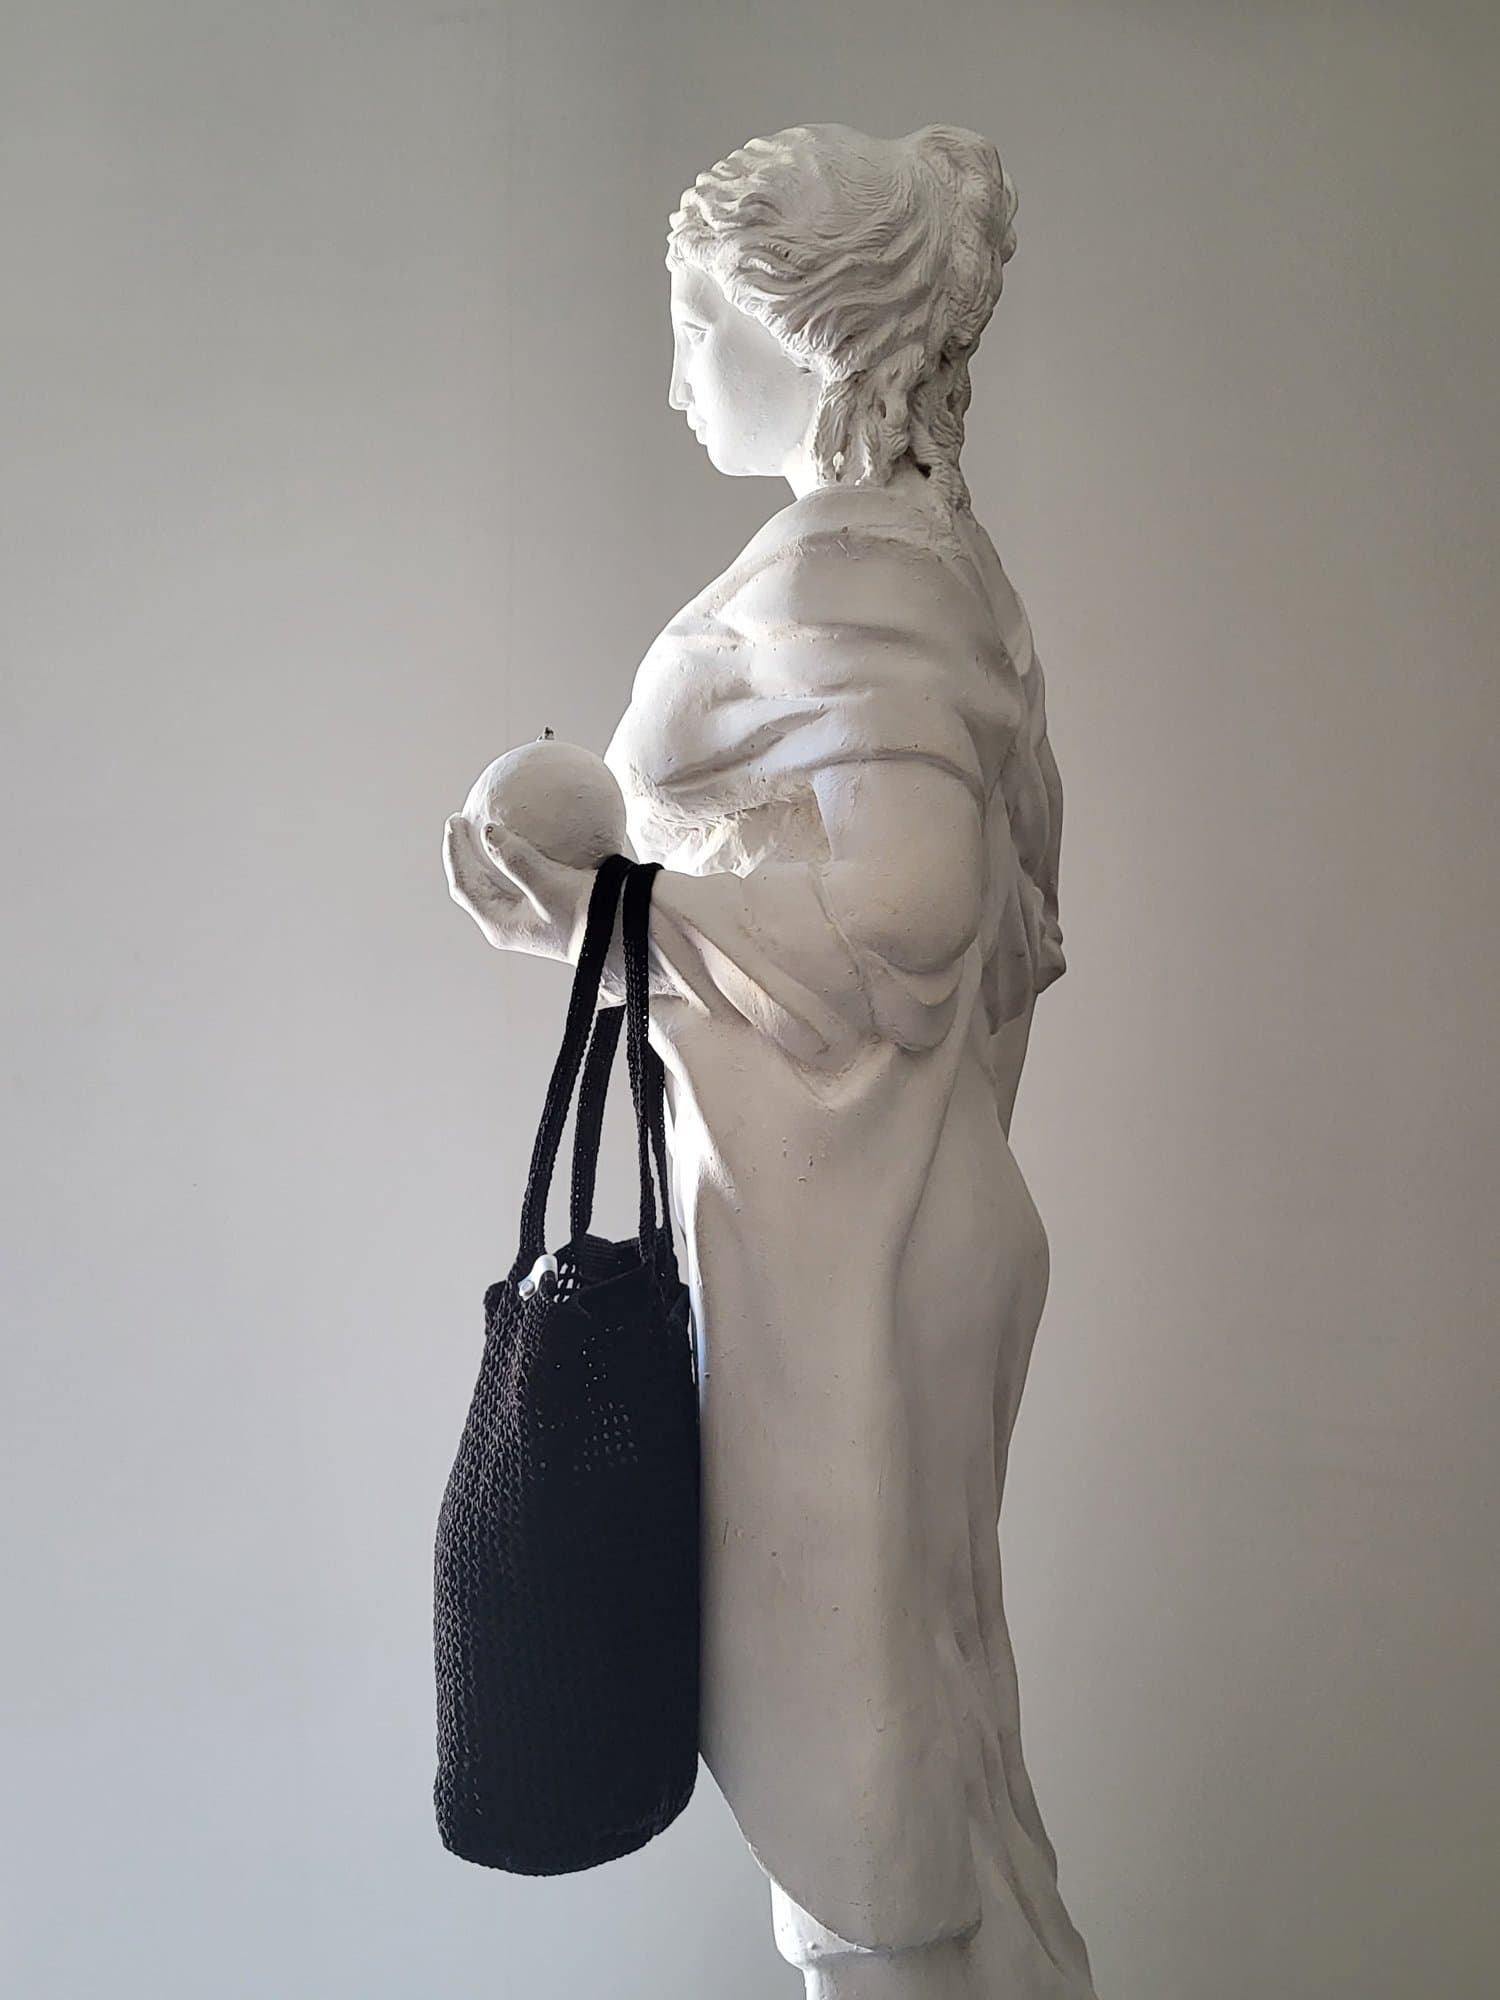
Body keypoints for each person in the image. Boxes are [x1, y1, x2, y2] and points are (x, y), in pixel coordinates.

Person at [444, 123, 1098, 2000]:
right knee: (910, 1779)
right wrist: (602, 897)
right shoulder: (919, 567)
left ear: (807, 333)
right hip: (847, 1223)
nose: (673, 376)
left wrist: (612, 906)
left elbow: (911, 906)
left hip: (851, 1259)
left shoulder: (849, 579)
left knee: (869, 1816)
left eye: (695, 324)